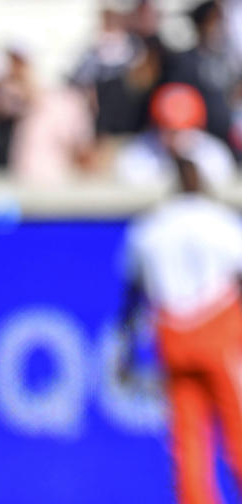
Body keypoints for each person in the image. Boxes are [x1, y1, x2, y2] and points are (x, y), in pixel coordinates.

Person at [119, 141, 242, 504]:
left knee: (188, 441)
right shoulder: (222, 223)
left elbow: (133, 295)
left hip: (173, 338)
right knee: (237, 429)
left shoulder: (150, 229)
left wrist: (126, 350)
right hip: (219, 335)